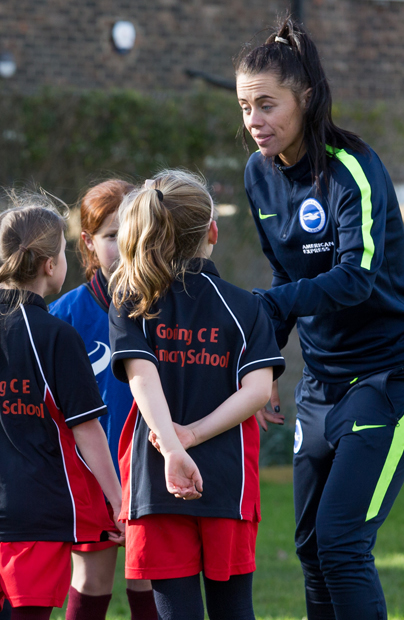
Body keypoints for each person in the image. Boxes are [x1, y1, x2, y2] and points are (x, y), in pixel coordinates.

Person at [237, 18, 404, 620]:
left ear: (304, 99)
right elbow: (284, 276)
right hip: (320, 388)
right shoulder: (257, 175)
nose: (254, 119)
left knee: (342, 544)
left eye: (267, 104)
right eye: (246, 106)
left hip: (388, 379)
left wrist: (273, 308)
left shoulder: (352, 166)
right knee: (309, 548)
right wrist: (267, 363)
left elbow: (357, 280)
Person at [0, 197, 123, 620]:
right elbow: (87, 430)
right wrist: (118, 501)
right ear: (50, 265)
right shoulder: (56, 335)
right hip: (36, 520)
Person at [108, 171, 285, 620]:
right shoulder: (245, 305)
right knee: (233, 611)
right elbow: (259, 391)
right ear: (213, 231)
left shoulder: (132, 298)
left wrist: (171, 447)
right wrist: (191, 437)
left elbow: (141, 379)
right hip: (228, 481)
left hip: (157, 482)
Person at [47, 180, 158, 620]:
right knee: (91, 580)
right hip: (89, 473)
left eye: (132, 232)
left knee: (146, 576)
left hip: (150, 469)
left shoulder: (164, 304)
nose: (123, 245)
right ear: (90, 243)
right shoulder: (63, 316)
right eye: (112, 236)